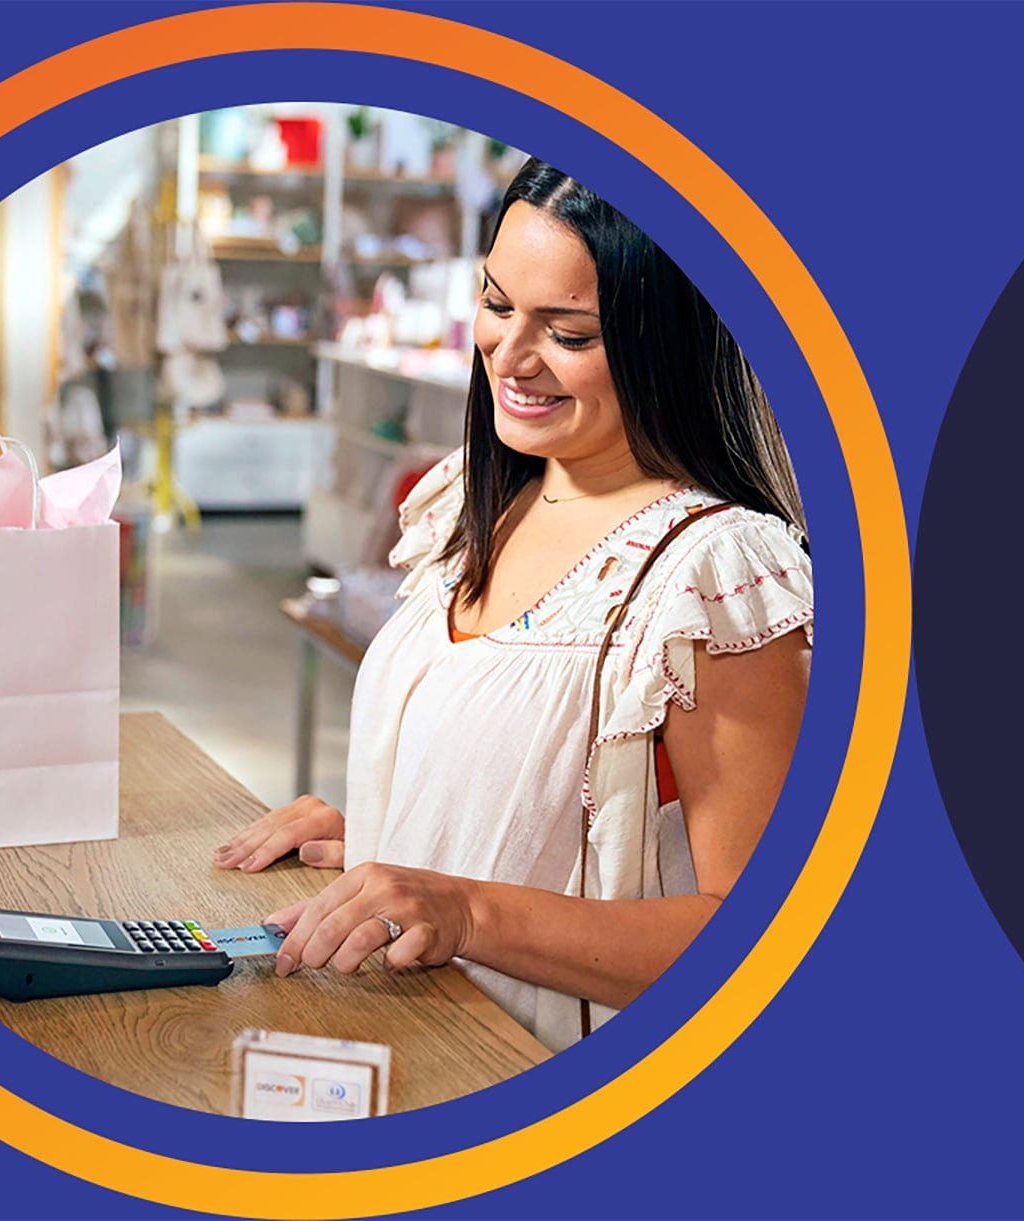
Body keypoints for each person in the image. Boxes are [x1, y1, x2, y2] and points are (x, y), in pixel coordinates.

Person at [212, 159, 813, 1051]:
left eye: (567, 333)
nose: (509, 355)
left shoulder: (714, 573)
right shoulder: (477, 500)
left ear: (664, 344)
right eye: (496, 305)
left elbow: (763, 934)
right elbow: (546, 818)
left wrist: (467, 905)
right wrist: (388, 832)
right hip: (420, 1045)